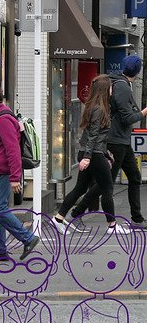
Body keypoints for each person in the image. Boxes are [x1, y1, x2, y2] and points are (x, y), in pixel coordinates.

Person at [72, 55, 147, 227]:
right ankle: (77, 212)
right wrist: (144, 112)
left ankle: (137, 218)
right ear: (137, 71)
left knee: (134, 177)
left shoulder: (119, 83)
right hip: (115, 140)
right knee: (106, 183)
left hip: (121, 139)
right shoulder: (122, 87)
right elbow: (128, 117)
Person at [53, 75, 129, 234]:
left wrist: (103, 153)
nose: (112, 90)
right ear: (104, 89)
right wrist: (88, 157)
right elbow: (94, 135)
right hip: (93, 155)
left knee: (80, 188)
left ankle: (59, 218)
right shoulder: (100, 109)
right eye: (110, 87)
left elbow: (94, 135)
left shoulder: (95, 106)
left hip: (91, 152)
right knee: (107, 188)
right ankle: (112, 226)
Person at [0, 82, 39, 262]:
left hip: (4, 171)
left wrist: (15, 178)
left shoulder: (3, 118)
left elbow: (12, 150)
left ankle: (27, 238)